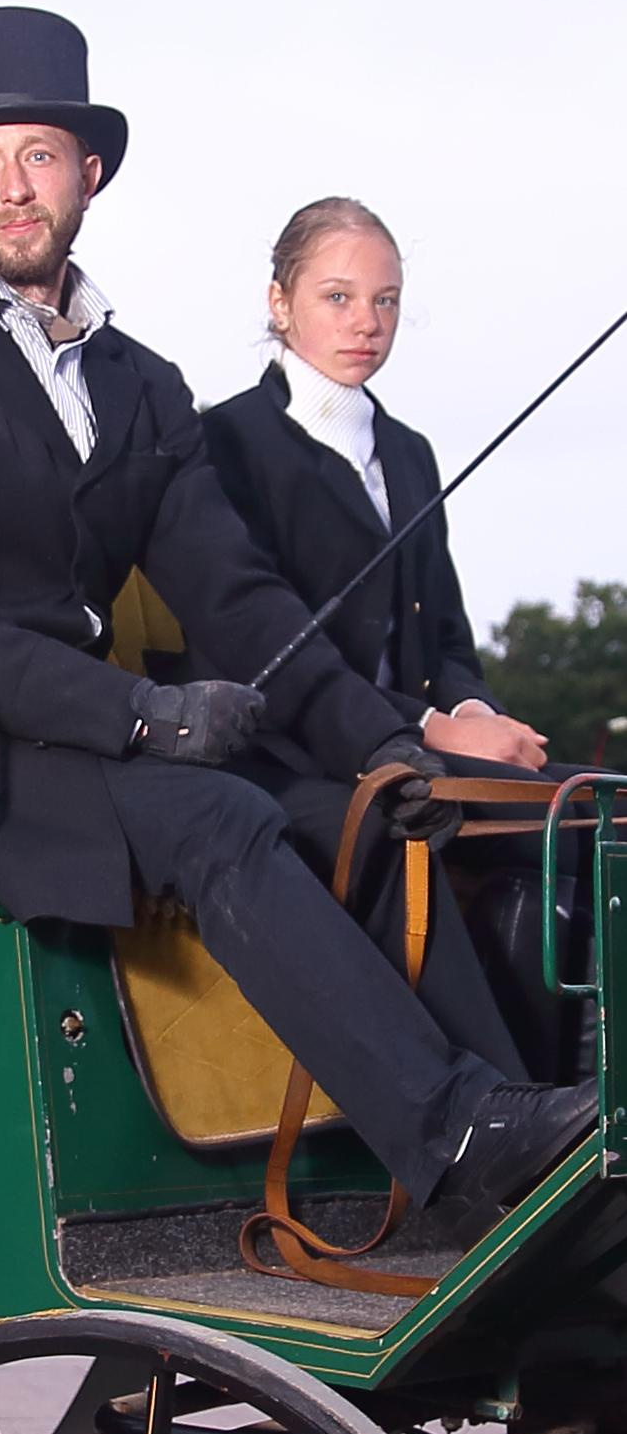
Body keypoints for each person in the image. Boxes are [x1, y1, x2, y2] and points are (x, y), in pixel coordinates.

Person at [0, 7, 594, 1239]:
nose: (13, 189)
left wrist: (390, 749)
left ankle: (533, 1141)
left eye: (38, 156)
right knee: (219, 810)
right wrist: (140, 712)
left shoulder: (143, 385)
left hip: (82, 737)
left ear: (90, 173)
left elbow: (238, 596)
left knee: (368, 815)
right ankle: (450, 1128)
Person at [203, 197, 569, 1073]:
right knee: (424, 832)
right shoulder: (228, 443)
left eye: (387, 300)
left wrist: (480, 711)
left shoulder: (409, 453)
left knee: (588, 815)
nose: (366, 323)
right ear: (279, 302)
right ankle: (509, 1113)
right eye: (338, 297)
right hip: (295, 749)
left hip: (426, 740)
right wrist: (438, 730)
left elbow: (444, 635)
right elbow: (270, 642)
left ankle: (581, 1097)